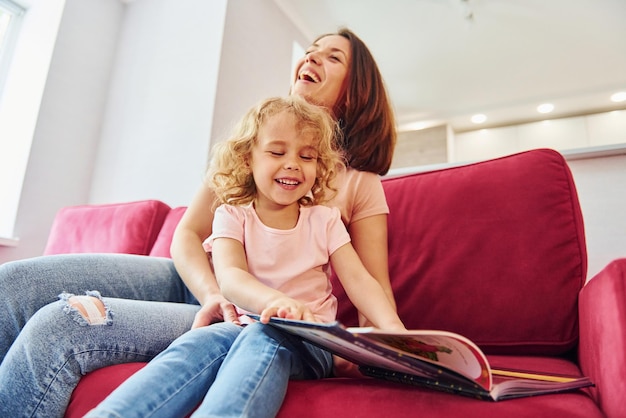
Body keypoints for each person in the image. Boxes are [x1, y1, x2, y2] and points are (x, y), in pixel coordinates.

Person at [0, 28, 397, 417]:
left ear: (357, 89)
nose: (311, 57)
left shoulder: (355, 186)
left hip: (250, 316)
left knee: (60, 326)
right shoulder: (251, 150)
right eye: (310, 49)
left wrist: (386, 347)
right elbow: (188, 234)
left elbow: (368, 283)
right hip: (206, 284)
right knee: (13, 284)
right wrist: (211, 292)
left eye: (332, 56)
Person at [85, 95, 404, 417]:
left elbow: (360, 280)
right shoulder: (231, 215)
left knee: (265, 335)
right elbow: (231, 278)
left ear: (319, 167)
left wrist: (395, 330)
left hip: (309, 341)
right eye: (277, 152)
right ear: (247, 159)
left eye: (307, 156)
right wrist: (274, 302)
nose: (292, 163)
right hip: (241, 325)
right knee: (195, 345)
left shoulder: (325, 220)